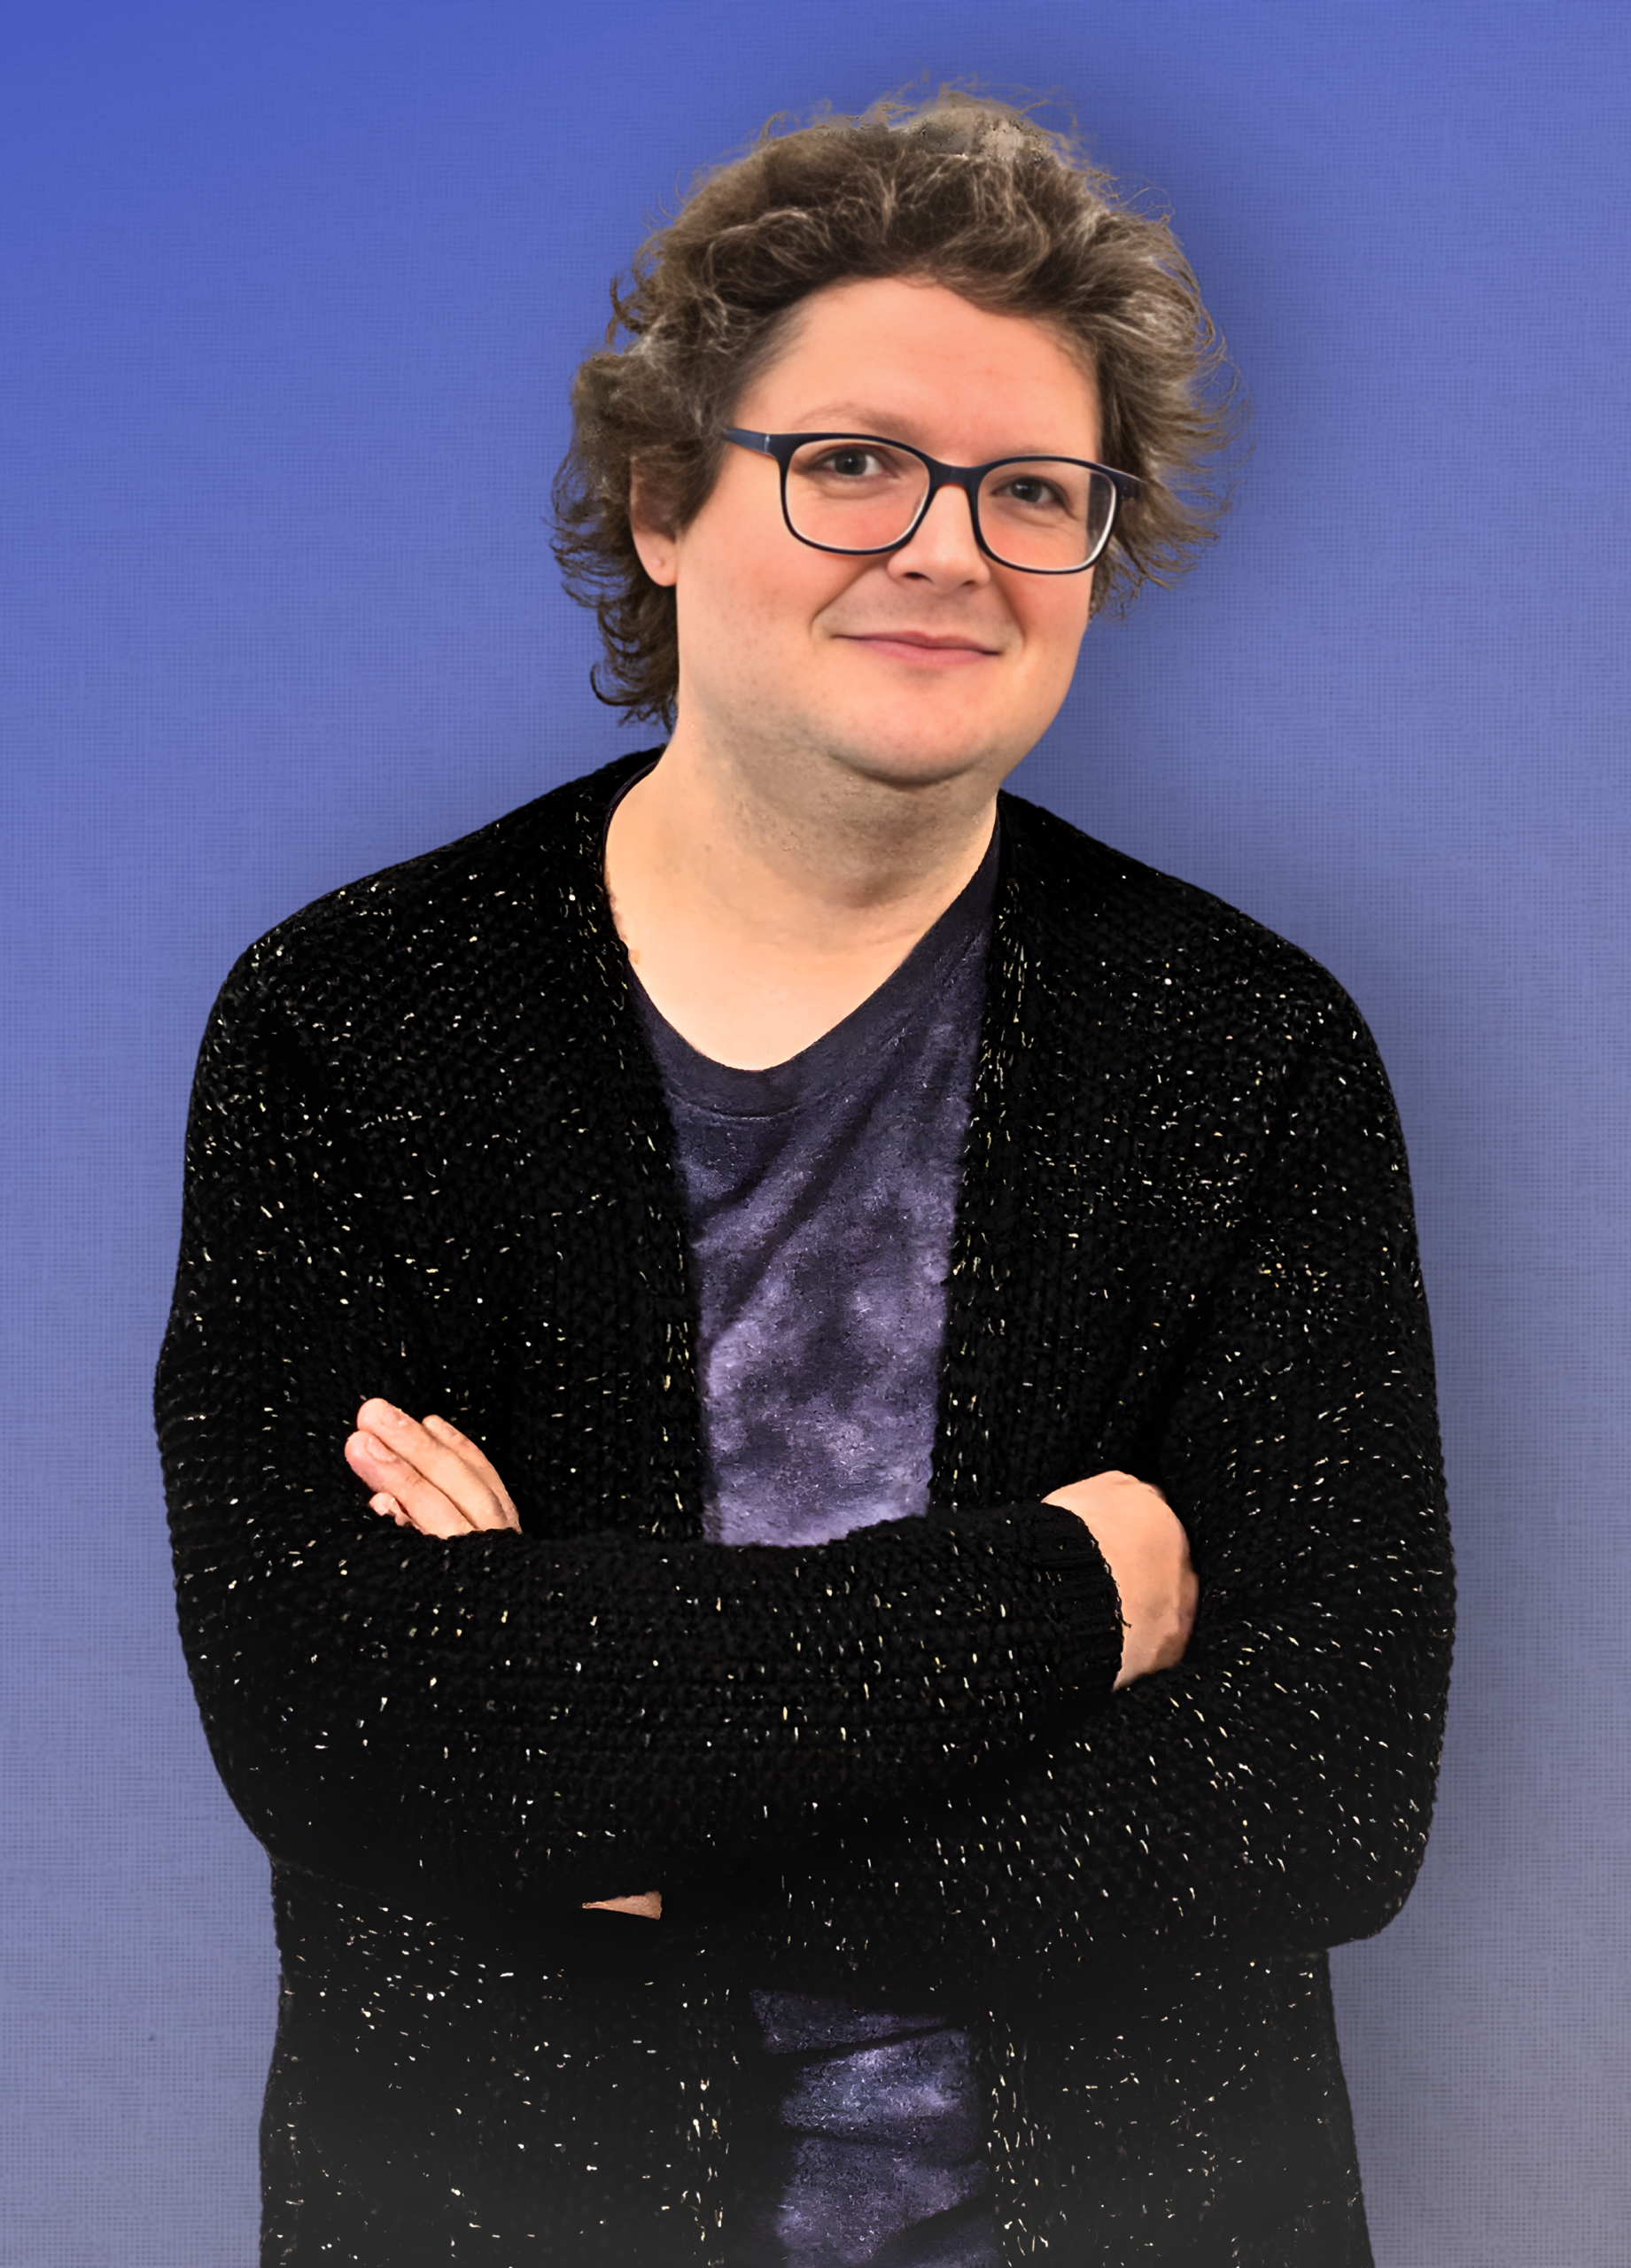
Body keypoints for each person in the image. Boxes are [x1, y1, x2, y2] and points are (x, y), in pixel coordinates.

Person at [157, 89, 1454, 2267]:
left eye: (1033, 489)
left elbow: (1321, 1790)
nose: (948, 547)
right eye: (852, 460)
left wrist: (622, 1789)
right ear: (664, 499)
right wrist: (1068, 1598)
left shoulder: (1247, 1053)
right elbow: (347, 1720)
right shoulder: (357, 1026)